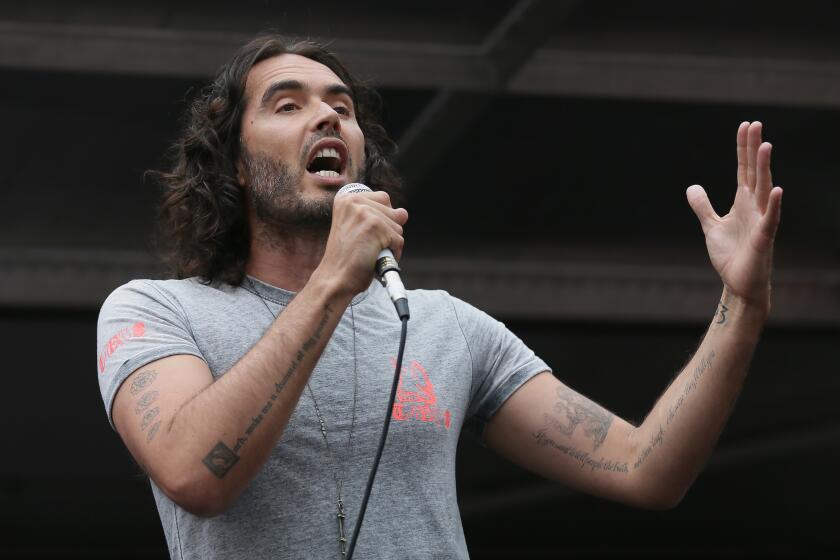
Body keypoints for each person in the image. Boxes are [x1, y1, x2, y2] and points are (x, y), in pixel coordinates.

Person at [95, 34, 783, 560]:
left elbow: (645, 470)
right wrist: (335, 280)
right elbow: (194, 473)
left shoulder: (447, 328)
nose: (328, 119)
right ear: (237, 166)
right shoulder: (155, 311)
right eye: (289, 104)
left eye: (343, 108)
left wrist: (741, 306)